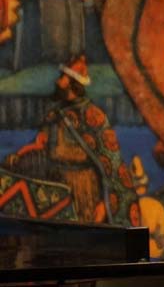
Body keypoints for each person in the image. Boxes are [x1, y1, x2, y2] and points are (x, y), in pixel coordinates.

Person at [4, 55, 141, 227]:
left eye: (62, 77)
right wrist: (17, 158)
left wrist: (104, 205)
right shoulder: (55, 115)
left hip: (85, 194)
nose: (57, 81)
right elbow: (40, 145)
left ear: (72, 83)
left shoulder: (94, 117)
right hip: (56, 191)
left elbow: (112, 166)